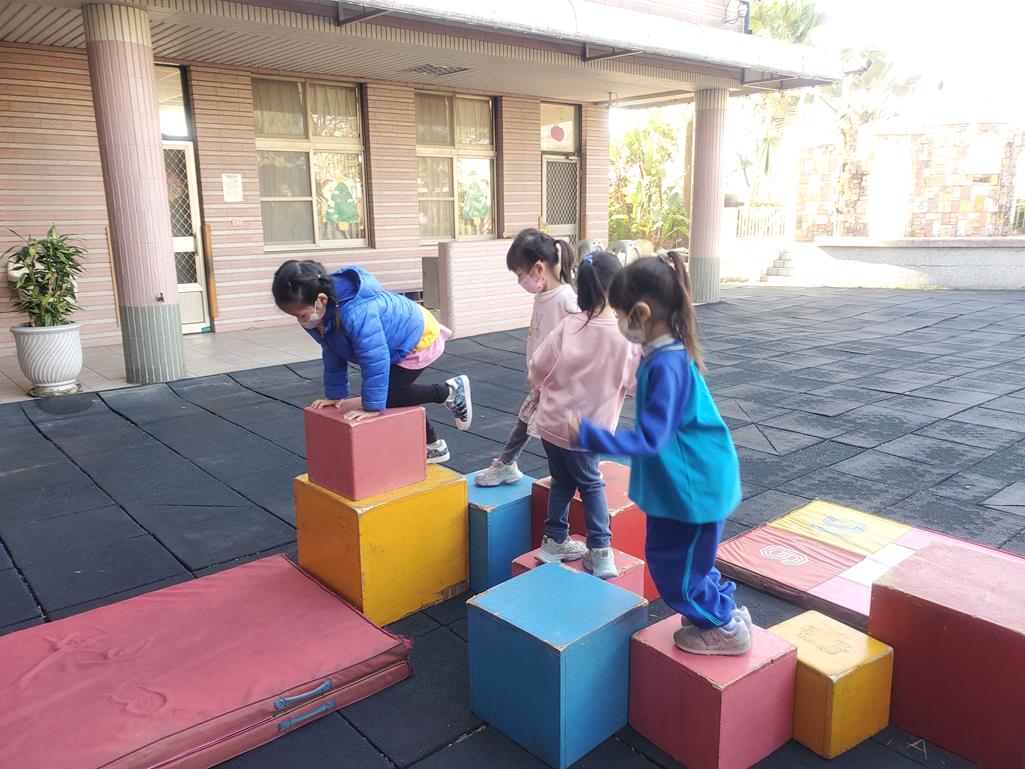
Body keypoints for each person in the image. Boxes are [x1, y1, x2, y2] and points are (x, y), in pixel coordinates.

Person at [568, 254, 751, 655]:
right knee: (686, 561)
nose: (618, 323)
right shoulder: (667, 354)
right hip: (689, 485)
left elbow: (651, 439)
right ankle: (722, 611)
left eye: (620, 314)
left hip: (692, 491)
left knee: (675, 574)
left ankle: (723, 627)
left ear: (641, 313)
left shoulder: (666, 365)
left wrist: (589, 435)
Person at [273, 259, 471, 464]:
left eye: (301, 315)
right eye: (295, 316)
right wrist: (335, 394)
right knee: (395, 392)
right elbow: (332, 351)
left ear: (320, 300)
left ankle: (450, 392)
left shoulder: (357, 314)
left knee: (390, 395)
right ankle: (433, 446)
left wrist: (372, 407)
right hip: (392, 338)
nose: (301, 321)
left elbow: (374, 358)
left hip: (416, 335)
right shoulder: (318, 317)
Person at [528, 251, 640, 579]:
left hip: (551, 425)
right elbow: (637, 384)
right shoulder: (624, 336)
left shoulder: (567, 327)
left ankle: (553, 541)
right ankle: (601, 550)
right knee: (591, 485)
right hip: (586, 432)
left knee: (562, 480)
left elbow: (537, 369)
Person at [474, 229, 578, 487]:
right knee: (525, 421)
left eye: (520, 274)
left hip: (560, 386)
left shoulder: (566, 299)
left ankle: (574, 474)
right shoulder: (543, 296)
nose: (520, 281)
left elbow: (584, 338)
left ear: (538, 269)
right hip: (542, 380)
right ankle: (507, 464)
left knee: (554, 434)